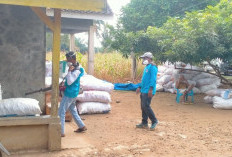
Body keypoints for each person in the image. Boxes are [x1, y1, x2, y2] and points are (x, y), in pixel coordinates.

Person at [59, 51, 86, 137]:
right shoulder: (75, 66)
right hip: (73, 92)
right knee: (73, 110)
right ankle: (81, 126)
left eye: (68, 59)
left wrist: (69, 71)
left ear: (72, 59)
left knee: (61, 112)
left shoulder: (76, 70)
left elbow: (70, 82)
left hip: (70, 93)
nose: (66, 60)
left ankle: (61, 132)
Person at [136, 52, 158, 130]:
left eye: (144, 58)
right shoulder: (147, 67)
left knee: (146, 106)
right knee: (143, 106)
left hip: (148, 90)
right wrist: (139, 87)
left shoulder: (153, 67)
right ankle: (144, 122)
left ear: (149, 58)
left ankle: (154, 121)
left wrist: (151, 89)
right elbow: (144, 79)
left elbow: (153, 79)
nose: (143, 60)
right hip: (144, 89)